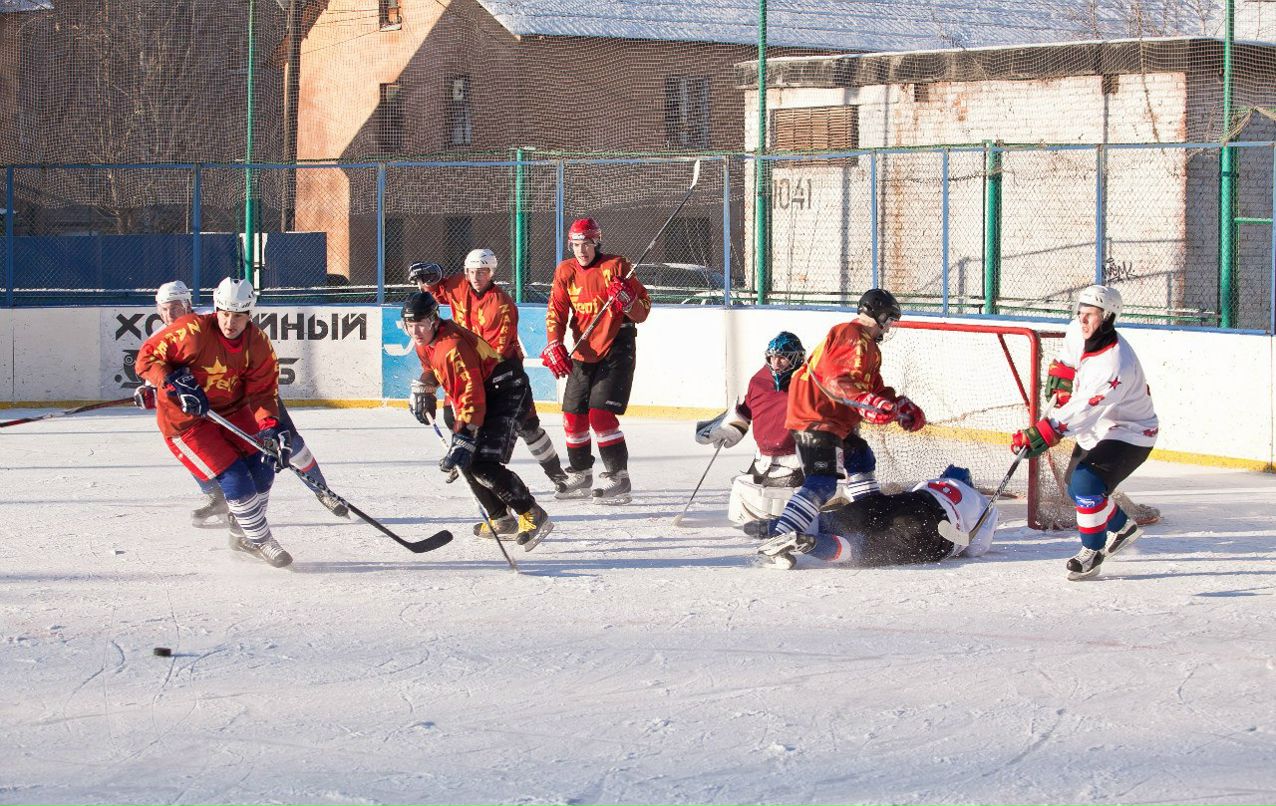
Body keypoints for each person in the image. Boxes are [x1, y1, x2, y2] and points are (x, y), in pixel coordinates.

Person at [134, 280, 347, 524]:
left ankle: (323, 491)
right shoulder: (160, 337)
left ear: (188, 304)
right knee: (203, 452)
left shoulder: (213, 319)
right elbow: (156, 374)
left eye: (175, 307)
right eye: (163, 309)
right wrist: (150, 391)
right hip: (209, 411)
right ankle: (221, 500)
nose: (169, 314)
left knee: (288, 442)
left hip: (249, 400)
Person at [134, 277, 294, 568]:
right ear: (216, 309)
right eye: (225, 313)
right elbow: (146, 358)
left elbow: (262, 393)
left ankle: (240, 535)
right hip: (186, 422)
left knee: (263, 471)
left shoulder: (257, 344)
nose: (230, 322)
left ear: (249, 315)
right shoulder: (191, 330)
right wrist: (171, 380)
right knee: (235, 479)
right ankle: (260, 540)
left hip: (232, 411)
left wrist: (270, 426)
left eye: (238, 316)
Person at [1010, 284, 1158, 580]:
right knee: (1075, 488)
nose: (1082, 320)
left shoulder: (1115, 365)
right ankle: (1123, 527)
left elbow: (1083, 410)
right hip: (1097, 427)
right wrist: (1062, 379)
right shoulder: (1078, 330)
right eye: (1080, 313)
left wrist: (1045, 432)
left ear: (1108, 318)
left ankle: (1091, 553)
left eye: (1090, 315)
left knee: (1086, 483)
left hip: (1130, 433)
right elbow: (1067, 360)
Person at [765, 288, 927, 543]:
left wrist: (897, 405)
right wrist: (868, 403)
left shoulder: (869, 346)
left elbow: (871, 387)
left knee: (861, 457)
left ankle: (872, 519)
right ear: (881, 316)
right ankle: (780, 535)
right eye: (890, 320)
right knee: (823, 481)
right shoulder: (849, 334)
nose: (889, 327)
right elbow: (836, 380)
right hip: (815, 417)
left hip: (835, 422)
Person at [408, 251, 569, 503]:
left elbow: (498, 350)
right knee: (453, 414)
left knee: (528, 426)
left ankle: (557, 474)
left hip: (500, 370)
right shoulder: (460, 285)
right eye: (471, 272)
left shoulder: (502, 303)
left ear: (491, 273)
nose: (476, 277)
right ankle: (464, 453)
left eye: (482, 272)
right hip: (465, 363)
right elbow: (435, 290)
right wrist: (431, 275)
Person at [403, 291, 553, 548]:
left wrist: (464, 437)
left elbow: (472, 397)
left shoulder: (452, 348)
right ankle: (500, 519)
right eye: (410, 325)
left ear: (434, 320)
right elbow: (431, 369)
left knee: (482, 463)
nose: (416, 331)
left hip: (507, 391)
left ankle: (531, 513)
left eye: (421, 323)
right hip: (487, 392)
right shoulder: (425, 341)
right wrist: (424, 387)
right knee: (466, 461)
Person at [540, 217, 651, 504]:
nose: (582, 250)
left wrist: (627, 302)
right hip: (583, 350)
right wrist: (554, 341)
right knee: (573, 416)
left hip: (617, 346)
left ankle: (618, 477)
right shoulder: (565, 271)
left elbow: (643, 310)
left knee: (599, 414)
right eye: (576, 245)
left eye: (587, 244)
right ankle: (581, 473)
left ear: (597, 242)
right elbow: (557, 310)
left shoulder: (616, 266)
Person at [755, 465, 997, 570]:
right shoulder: (981, 501)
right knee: (859, 550)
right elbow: (975, 547)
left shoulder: (932, 482)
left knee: (834, 521)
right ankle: (810, 544)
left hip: (904, 502)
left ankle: (769, 527)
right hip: (930, 530)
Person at [695, 331, 808, 527]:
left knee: (774, 509)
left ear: (796, 358)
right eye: (772, 357)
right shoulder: (759, 380)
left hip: (795, 460)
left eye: (782, 357)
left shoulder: (809, 383)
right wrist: (730, 426)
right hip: (762, 459)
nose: (776, 363)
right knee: (745, 503)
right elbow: (748, 410)